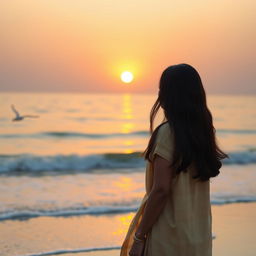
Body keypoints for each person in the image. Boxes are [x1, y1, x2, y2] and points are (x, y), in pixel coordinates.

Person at [120, 63, 228, 256]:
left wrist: (139, 237)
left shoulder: (167, 133)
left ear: (168, 95)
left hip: (167, 239)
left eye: (162, 89)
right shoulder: (202, 133)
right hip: (199, 239)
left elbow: (161, 190)